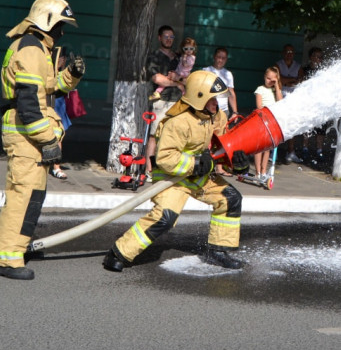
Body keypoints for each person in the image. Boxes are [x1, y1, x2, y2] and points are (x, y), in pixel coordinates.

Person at [102, 70, 251, 272]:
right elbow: (165, 158)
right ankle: (119, 252)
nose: (217, 103)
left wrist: (238, 164)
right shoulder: (178, 121)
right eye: (212, 99)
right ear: (199, 98)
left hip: (198, 176)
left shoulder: (217, 116)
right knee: (165, 217)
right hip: (172, 177)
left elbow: (222, 147)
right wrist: (197, 163)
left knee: (230, 199)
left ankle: (218, 251)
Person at [0, 0, 85, 280]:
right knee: (22, 197)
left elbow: (46, 88)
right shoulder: (31, 50)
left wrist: (71, 76)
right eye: (60, 25)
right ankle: (6, 260)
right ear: (47, 21)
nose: (63, 32)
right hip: (27, 137)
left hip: (28, 137)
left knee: (31, 196)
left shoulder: (36, 49)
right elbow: (30, 106)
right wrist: (48, 140)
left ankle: (15, 250)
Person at [145, 25, 185, 168]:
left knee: (174, 136)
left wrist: (179, 80)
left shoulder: (180, 58)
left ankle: (167, 168)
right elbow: (157, 79)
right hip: (160, 101)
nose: (169, 40)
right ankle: (149, 170)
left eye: (171, 37)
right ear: (159, 38)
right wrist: (177, 83)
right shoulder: (153, 56)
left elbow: (187, 78)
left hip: (178, 101)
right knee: (154, 135)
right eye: (166, 37)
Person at [253, 66, 283, 181]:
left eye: (272, 80)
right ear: (264, 77)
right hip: (261, 120)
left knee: (267, 148)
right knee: (259, 148)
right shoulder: (260, 89)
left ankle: (264, 170)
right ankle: (257, 172)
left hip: (271, 122)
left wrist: (276, 86)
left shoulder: (275, 90)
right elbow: (259, 106)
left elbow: (280, 102)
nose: (269, 81)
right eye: (268, 78)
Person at [297, 47, 325, 162]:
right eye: (316, 56)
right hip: (309, 102)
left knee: (321, 129)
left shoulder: (324, 71)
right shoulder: (305, 70)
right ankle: (305, 148)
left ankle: (319, 150)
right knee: (307, 126)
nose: (318, 59)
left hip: (321, 103)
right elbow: (301, 83)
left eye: (320, 57)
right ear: (311, 57)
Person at [275, 44, 301, 163]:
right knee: (278, 123)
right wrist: (290, 80)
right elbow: (279, 80)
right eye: (287, 51)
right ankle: (273, 151)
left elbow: (300, 80)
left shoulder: (298, 66)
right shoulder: (278, 65)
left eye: (291, 51)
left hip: (293, 98)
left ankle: (291, 151)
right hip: (280, 97)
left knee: (292, 124)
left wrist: (286, 81)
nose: (289, 54)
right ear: (283, 52)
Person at [150, 37, 196, 101]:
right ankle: (157, 92)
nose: (188, 50)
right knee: (167, 79)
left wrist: (184, 58)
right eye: (186, 49)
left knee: (182, 86)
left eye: (191, 49)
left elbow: (185, 65)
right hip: (177, 72)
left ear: (194, 49)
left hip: (183, 74)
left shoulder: (192, 58)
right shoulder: (181, 55)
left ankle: (184, 96)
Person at [50, 47, 72, 180]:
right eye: (59, 58)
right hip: (49, 105)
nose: (61, 61)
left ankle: (56, 167)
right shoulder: (47, 71)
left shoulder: (64, 73)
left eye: (62, 59)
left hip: (59, 105)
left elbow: (66, 86)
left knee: (59, 136)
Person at [203, 46, 238, 121]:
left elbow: (231, 93)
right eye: (219, 57)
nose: (220, 60)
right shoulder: (206, 71)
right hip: (208, 109)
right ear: (214, 57)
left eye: (223, 58)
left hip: (223, 110)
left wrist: (235, 112)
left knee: (222, 132)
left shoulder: (228, 74)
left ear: (226, 59)